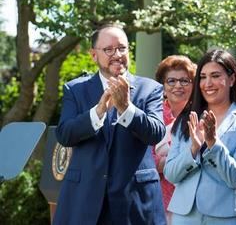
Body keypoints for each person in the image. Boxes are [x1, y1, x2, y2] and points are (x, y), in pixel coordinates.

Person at [54, 24, 166, 225]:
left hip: (134, 201)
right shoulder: (75, 90)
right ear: (94, 55)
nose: (117, 54)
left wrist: (126, 108)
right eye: (108, 49)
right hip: (85, 199)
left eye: (122, 48)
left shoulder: (150, 89)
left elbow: (156, 133)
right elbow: (64, 134)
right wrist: (97, 113)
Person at [164, 49, 236, 225]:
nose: (208, 83)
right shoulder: (186, 118)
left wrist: (213, 143)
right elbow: (171, 174)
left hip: (228, 215)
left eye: (215, 76)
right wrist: (192, 149)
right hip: (185, 215)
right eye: (203, 77)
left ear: (231, 80)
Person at [154, 55, 197, 222]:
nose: (178, 85)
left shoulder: (201, 115)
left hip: (194, 202)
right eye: (171, 81)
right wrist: (183, 158)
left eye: (185, 81)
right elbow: (147, 160)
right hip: (159, 201)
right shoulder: (153, 116)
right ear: (163, 87)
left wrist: (167, 161)